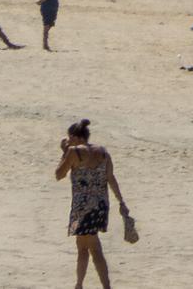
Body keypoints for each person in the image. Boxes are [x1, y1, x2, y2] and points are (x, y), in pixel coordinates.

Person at [54, 119, 127, 289]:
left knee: (93, 248)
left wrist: (64, 152)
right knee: (83, 247)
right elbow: (111, 178)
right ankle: (79, 284)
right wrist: (121, 201)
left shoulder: (73, 151)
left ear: (74, 137)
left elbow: (59, 174)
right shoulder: (102, 152)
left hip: (83, 208)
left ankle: (106, 286)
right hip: (100, 205)